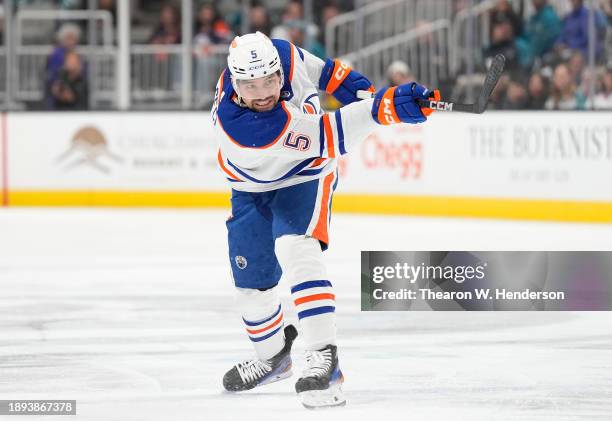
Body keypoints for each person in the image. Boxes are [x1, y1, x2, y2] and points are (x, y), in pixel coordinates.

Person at [212, 32, 434, 409]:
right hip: (252, 186)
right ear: (235, 84)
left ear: (278, 71)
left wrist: (364, 92)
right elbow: (331, 134)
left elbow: (329, 73)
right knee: (250, 285)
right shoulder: (241, 126)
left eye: (269, 80)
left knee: (296, 249)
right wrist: (386, 108)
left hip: (307, 176)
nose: (262, 91)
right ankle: (273, 355)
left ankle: (323, 358)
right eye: (250, 85)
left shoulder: (284, 54)